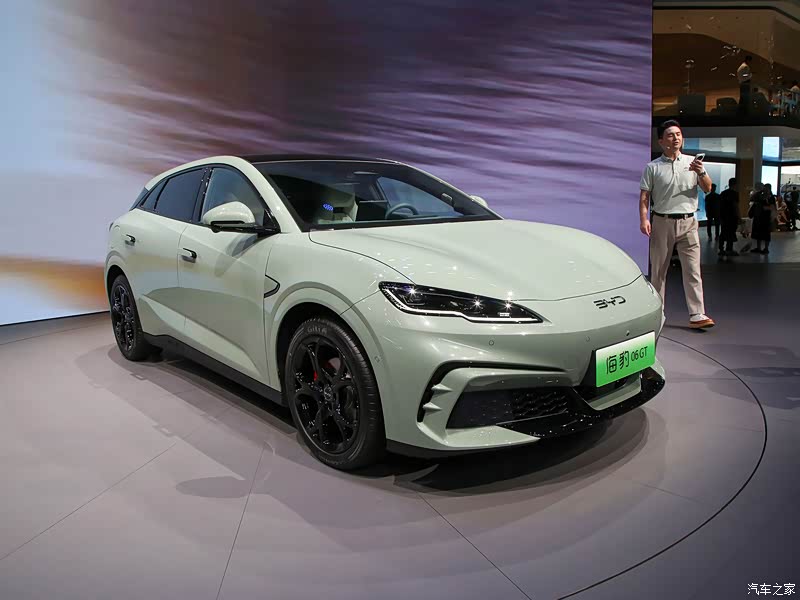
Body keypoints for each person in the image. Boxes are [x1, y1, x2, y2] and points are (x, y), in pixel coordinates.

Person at [640, 119, 715, 329]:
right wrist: (644, 219)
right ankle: (657, 313)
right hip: (662, 221)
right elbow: (644, 196)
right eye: (671, 135)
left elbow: (708, 188)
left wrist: (701, 172)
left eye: (678, 134)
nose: (676, 138)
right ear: (661, 141)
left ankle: (697, 314)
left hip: (689, 221)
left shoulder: (693, 163)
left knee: (693, 270)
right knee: (658, 271)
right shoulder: (652, 167)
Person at [749, 182, 776, 253]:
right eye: (764, 188)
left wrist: (765, 208)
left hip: (766, 218)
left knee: (766, 233)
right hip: (759, 217)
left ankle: (766, 248)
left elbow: (772, 207)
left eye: (766, 189)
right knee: (758, 232)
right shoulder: (760, 196)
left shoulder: (771, 197)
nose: (765, 190)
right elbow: (752, 198)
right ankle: (759, 248)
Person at [718, 178, 740, 256]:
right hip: (732, 216)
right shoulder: (735, 194)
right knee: (731, 232)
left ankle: (721, 249)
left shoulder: (723, 193)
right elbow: (735, 206)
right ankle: (729, 249)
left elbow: (720, 205)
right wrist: (739, 216)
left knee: (723, 232)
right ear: (735, 184)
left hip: (724, 216)